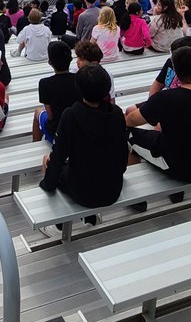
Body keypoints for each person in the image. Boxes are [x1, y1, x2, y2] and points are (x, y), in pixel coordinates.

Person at [126, 46, 191, 182]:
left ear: (177, 73)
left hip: (182, 170)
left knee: (126, 133)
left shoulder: (165, 98)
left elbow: (131, 120)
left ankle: (136, 186)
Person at [39, 64, 127, 218]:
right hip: (112, 189)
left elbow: (58, 155)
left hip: (82, 191)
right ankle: (89, 217)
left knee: (47, 160)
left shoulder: (71, 115)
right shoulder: (117, 113)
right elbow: (122, 152)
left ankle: (57, 219)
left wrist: (47, 184)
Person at [33, 41, 79, 143]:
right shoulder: (79, 79)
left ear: (50, 62)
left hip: (57, 133)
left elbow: (50, 116)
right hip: (77, 129)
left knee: (38, 111)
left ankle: (35, 144)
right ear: (71, 59)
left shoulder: (44, 83)